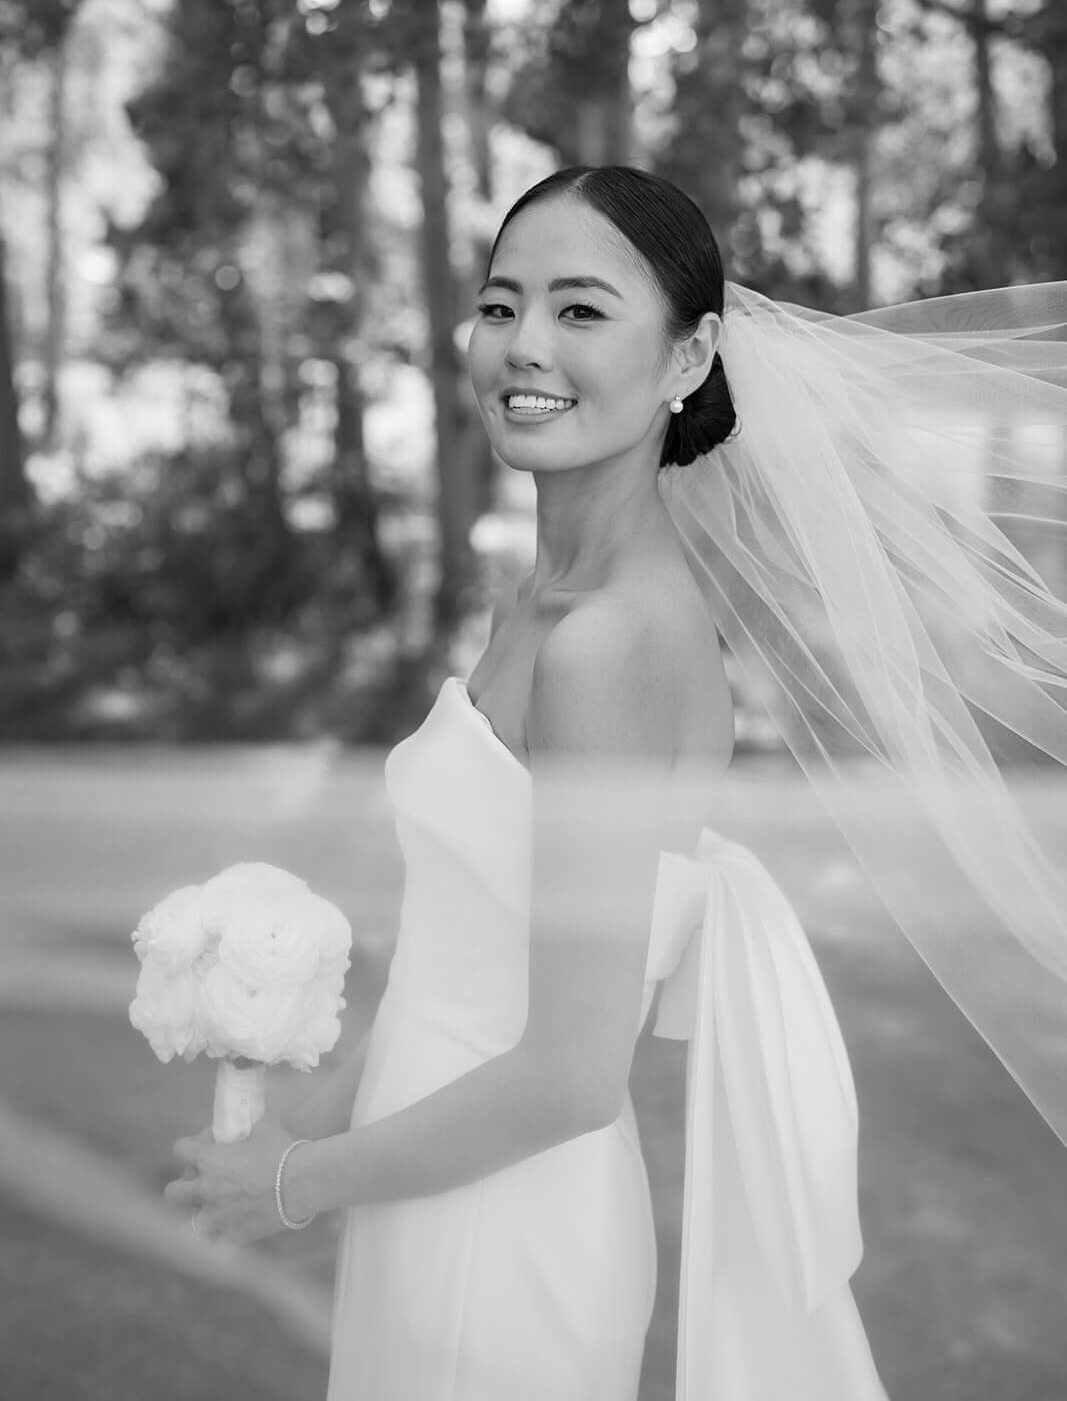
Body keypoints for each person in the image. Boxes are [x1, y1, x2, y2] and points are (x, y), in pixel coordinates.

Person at [165, 165, 1067, 1400]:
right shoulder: (537, 602)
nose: (523, 345)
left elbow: (569, 1073)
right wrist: (309, 1107)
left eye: (581, 310)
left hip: (505, 1235)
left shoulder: (611, 644)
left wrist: (289, 1188)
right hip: (428, 1185)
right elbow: (466, 954)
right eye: (499, 305)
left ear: (689, 355)